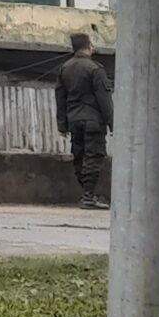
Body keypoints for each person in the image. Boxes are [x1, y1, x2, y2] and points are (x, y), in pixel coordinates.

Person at [57, 29, 111, 210]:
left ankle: (87, 193)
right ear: (88, 47)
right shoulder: (95, 69)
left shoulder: (64, 69)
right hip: (93, 120)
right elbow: (105, 100)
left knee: (79, 156)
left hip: (74, 120)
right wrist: (113, 123)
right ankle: (89, 195)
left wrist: (62, 125)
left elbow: (60, 98)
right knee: (93, 156)